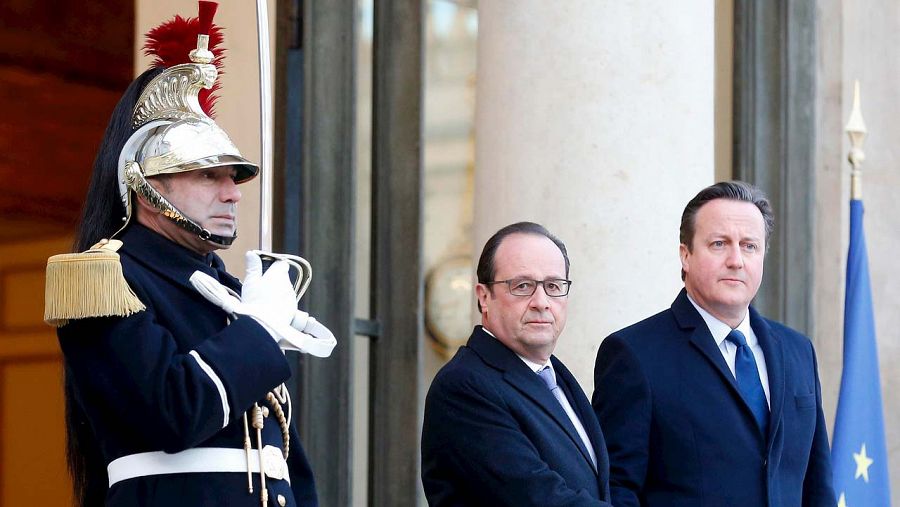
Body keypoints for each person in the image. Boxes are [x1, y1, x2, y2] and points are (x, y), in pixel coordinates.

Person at [45, 4, 322, 506]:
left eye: (232, 177)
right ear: (148, 187)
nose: (233, 193)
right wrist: (258, 331)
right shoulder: (108, 280)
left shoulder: (230, 296)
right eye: (207, 175)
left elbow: (281, 462)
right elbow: (174, 411)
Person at [592, 181, 836, 506]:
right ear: (686, 255)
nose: (736, 260)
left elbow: (817, 486)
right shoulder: (634, 354)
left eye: (749, 246)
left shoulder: (798, 351)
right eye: (719, 244)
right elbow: (617, 489)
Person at [421, 222, 612, 506]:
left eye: (553, 286)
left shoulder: (553, 375)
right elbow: (538, 498)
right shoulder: (463, 387)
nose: (542, 302)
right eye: (522, 286)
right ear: (484, 297)